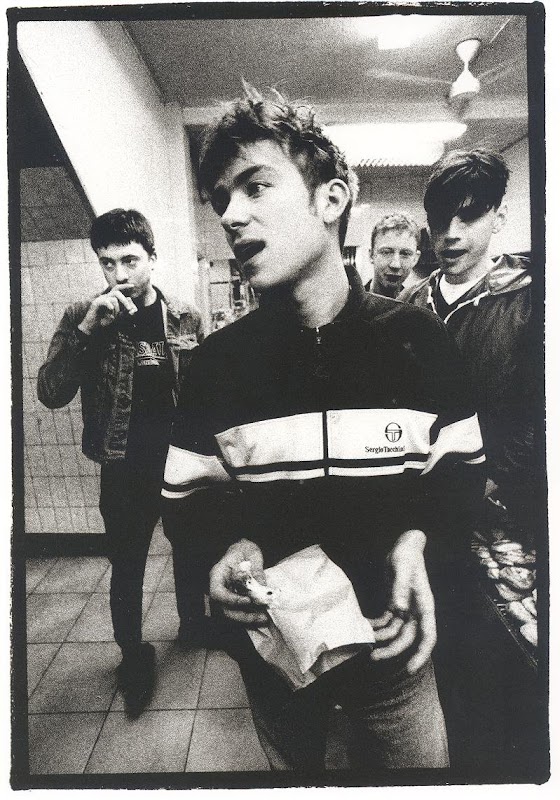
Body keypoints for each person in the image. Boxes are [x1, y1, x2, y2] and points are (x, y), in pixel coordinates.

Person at [162, 86, 485, 772]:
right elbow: (187, 500)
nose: (231, 215)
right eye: (221, 199)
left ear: (330, 200)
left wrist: (419, 538)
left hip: (394, 657)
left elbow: (462, 472)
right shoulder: (217, 366)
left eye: (255, 186)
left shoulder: (419, 340)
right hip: (279, 661)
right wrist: (223, 550)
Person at [37, 209, 206, 717]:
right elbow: (50, 392)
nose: (119, 275)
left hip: (179, 462)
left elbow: (201, 392)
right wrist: (88, 329)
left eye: (130, 260)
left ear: (153, 258)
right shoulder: (83, 315)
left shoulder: (184, 316)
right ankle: (133, 655)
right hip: (123, 467)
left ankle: (193, 625)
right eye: (107, 263)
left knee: (189, 550)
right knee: (128, 565)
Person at [399, 149, 536, 543]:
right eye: (440, 219)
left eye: (469, 216)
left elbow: (540, 415)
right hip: (419, 511)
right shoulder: (408, 305)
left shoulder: (532, 301)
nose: (451, 233)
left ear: (500, 216)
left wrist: (489, 481)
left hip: (504, 516)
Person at [365, 212, 421, 298]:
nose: (395, 265)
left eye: (405, 254)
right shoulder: (348, 303)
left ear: (415, 259)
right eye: (386, 252)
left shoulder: (419, 305)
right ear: (371, 255)